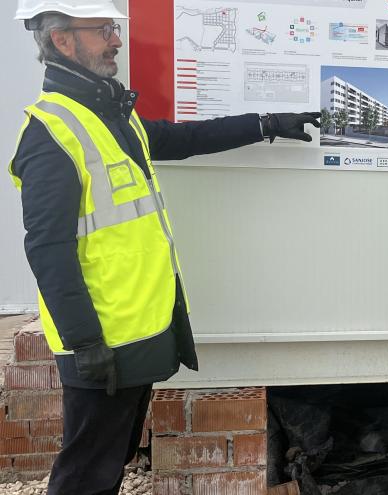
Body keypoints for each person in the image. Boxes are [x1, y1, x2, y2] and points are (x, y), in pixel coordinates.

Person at [8, 1, 320, 493]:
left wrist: (266, 123)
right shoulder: (52, 133)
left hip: (136, 330)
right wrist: (86, 343)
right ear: (62, 41)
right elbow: (47, 249)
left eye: (115, 28)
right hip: (102, 342)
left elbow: (181, 138)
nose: (116, 40)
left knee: (112, 457)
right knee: (86, 471)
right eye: (104, 30)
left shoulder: (109, 116)